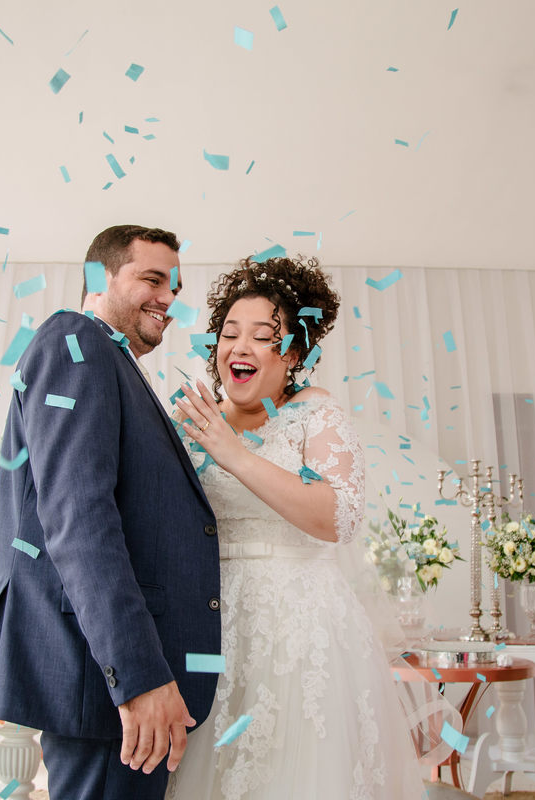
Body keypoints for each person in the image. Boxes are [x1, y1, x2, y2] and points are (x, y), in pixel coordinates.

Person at [0, 225, 222, 800]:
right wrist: (138, 675)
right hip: (104, 684)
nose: (169, 299)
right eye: (153, 279)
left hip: (108, 684)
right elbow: (79, 520)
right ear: (100, 277)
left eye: (175, 287)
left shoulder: (109, 358)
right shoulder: (76, 343)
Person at [165, 256, 426, 799]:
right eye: (229, 333)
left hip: (301, 629)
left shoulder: (314, 413)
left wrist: (235, 454)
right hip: (209, 627)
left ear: (293, 354)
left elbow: (339, 517)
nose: (239, 346)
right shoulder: (194, 423)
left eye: (262, 336)